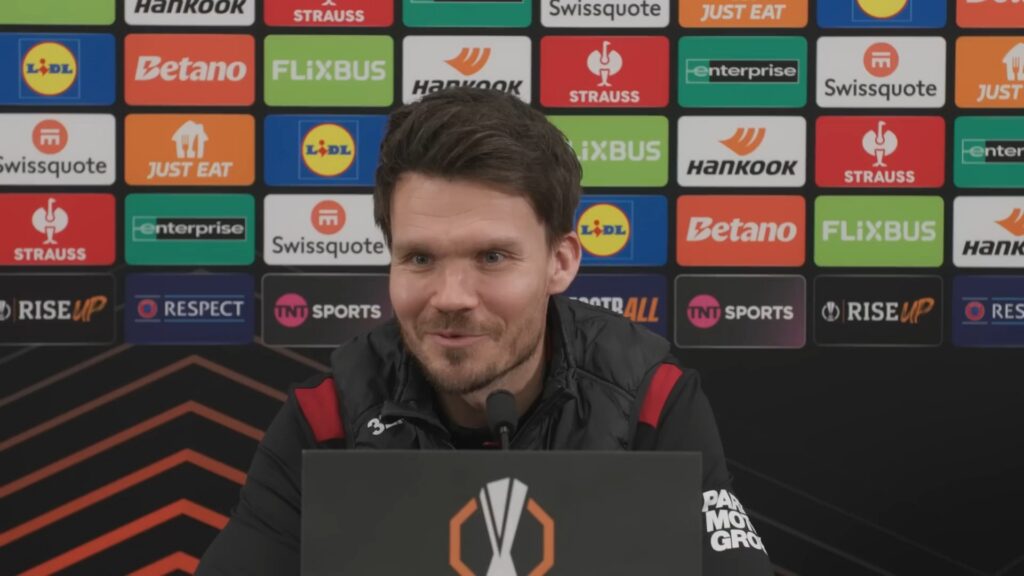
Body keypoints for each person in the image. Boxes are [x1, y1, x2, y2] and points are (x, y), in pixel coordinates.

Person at [196, 87, 772, 575]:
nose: (451, 297)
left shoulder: (651, 403)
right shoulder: (328, 419)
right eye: (420, 258)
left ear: (560, 262)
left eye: (492, 257)